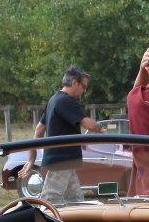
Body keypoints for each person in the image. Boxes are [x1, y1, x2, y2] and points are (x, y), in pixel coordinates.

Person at [28, 65, 102, 203]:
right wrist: (101, 128)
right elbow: (90, 125)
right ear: (74, 82)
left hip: (65, 161)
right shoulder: (66, 101)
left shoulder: (54, 100)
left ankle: (78, 217)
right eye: (84, 86)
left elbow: (39, 130)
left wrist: (31, 159)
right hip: (62, 160)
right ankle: (42, 217)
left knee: (75, 200)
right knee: (50, 199)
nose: (84, 91)